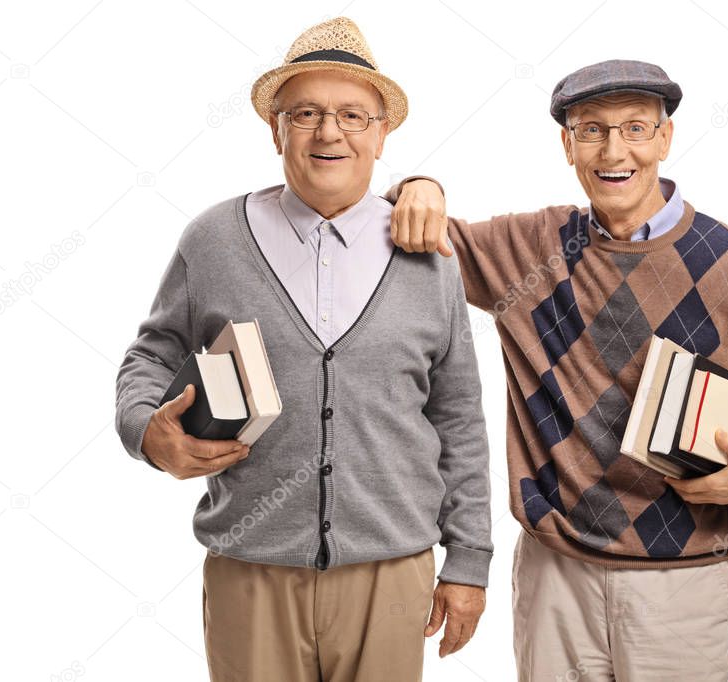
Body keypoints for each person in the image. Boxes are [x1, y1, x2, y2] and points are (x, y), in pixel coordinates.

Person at [389, 59, 728, 680]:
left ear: (664, 139)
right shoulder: (531, 248)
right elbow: (416, 231)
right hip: (555, 576)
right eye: (592, 130)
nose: (614, 149)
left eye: (634, 128)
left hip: (684, 585)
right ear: (567, 145)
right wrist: (418, 184)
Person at [115, 17, 491, 682]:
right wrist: (148, 432)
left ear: (381, 134)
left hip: (391, 570)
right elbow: (151, 356)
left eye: (352, 114)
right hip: (249, 567)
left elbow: (457, 418)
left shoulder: (428, 255)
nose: (328, 132)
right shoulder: (214, 240)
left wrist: (468, 561)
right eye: (306, 112)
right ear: (275, 129)